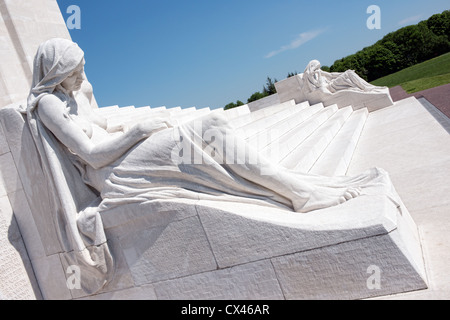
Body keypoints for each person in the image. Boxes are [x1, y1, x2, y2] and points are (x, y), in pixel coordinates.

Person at [22, 38, 400, 292]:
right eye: (74, 71)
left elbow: (103, 126)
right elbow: (89, 154)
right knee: (211, 128)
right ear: (56, 71)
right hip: (113, 171)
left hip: (122, 154)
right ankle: (299, 193)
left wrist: (139, 127)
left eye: (83, 67)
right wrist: (139, 128)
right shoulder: (50, 105)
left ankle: (298, 189)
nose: (82, 77)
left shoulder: (74, 97)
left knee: (210, 130)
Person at [303, 60, 384, 94]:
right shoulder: (310, 75)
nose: (319, 69)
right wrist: (318, 74)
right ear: (313, 66)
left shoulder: (319, 72)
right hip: (330, 87)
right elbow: (319, 86)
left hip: (332, 84)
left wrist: (343, 73)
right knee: (348, 74)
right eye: (317, 67)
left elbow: (331, 75)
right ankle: (365, 87)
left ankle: (366, 87)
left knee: (349, 73)